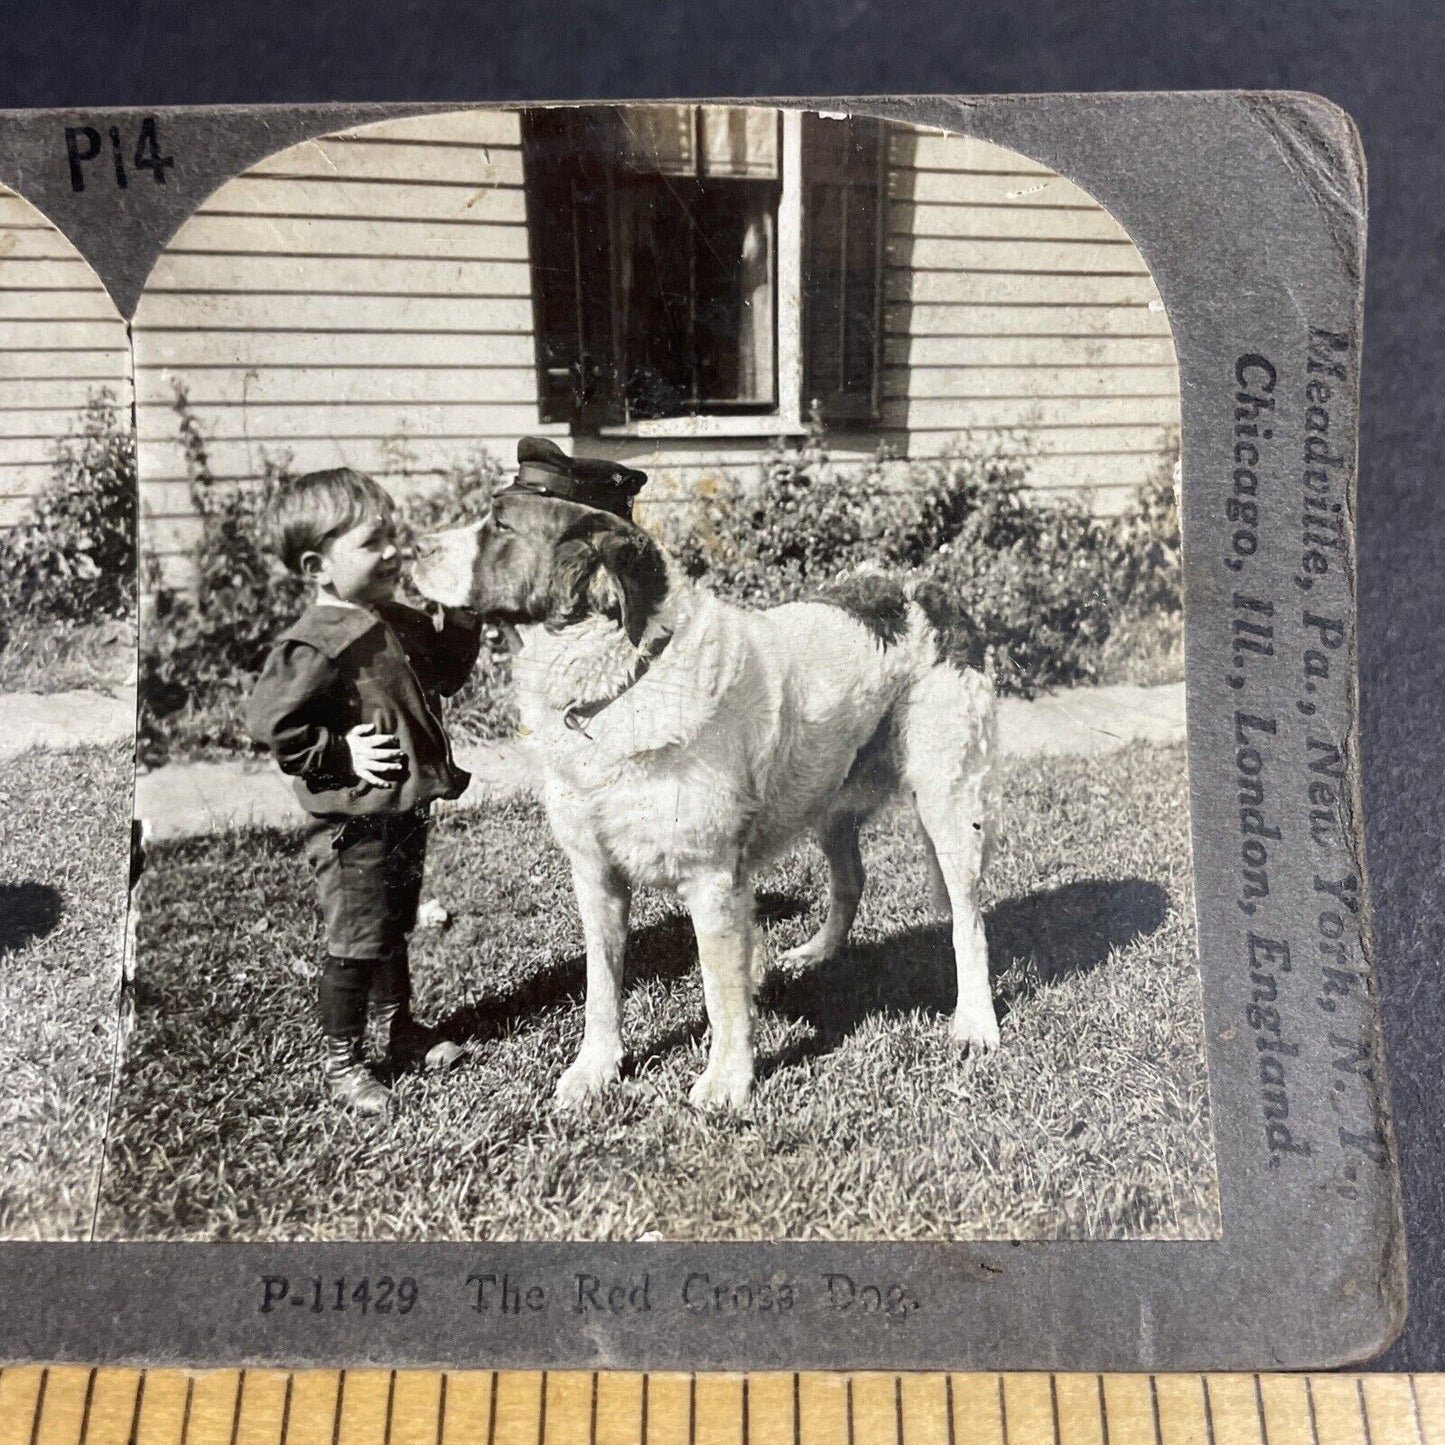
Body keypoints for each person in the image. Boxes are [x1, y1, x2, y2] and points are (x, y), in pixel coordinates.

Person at [246, 468, 484, 1115]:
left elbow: (447, 672)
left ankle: (403, 1030)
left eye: (391, 537)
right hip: (354, 823)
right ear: (317, 565)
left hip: (402, 809)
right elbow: (272, 723)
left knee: (393, 923)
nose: (391, 552)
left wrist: (463, 611)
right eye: (372, 542)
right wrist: (341, 750)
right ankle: (344, 1061)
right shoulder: (314, 643)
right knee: (356, 935)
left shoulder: (396, 618)